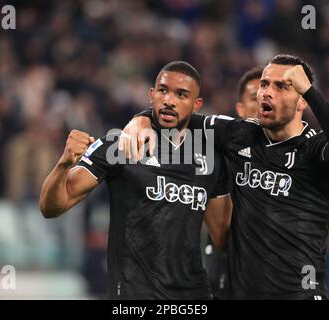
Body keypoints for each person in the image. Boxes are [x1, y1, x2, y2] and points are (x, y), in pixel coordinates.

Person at [122, 54, 329, 299]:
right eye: (265, 84)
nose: (266, 92)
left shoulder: (316, 149)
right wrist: (142, 118)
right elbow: (178, 115)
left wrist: (310, 91)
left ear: (301, 101)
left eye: (281, 87)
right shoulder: (241, 135)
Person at [39, 61, 232, 299]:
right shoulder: (118, 146)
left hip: (193, 295)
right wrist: (64, 163)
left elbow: (223, 236)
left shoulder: (210, 158)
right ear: (151, 95)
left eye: (181, 94)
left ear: (197, 105)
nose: (169, 100)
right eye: (163, 91)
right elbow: (51, 207)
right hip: (134, 294)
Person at [204, 66, 263, 300]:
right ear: (239, 109)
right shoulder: (222, 152)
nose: (263, 101)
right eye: (255, 97)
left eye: (269, 94)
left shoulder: (296, 154)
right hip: (227, 265)